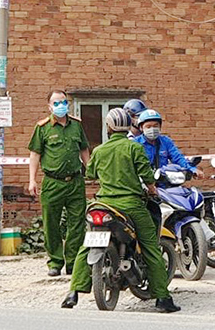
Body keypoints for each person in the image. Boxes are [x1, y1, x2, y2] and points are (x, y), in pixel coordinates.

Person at [61, 108, 180, 312]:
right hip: (131, 206)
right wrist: (153, 191)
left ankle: (73, 292)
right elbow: (147, 177)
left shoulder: (99, 150)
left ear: (109, 127)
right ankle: (162, 298)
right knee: (151, 247)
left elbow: (90, 174)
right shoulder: (134, 148)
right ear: (129, 126)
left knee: (86, 245)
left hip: (102, 205)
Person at [28, 90, 90, 277]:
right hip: (52, 183)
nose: (61, 106)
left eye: (63, 102)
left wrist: (92, 170)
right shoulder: (43, 128)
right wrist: (32, 179)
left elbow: (84, 150)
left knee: (77, 223)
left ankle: (73, 262)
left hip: (75, 182)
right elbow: (35, 154)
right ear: (49, 106)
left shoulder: (76, 126)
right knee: (51, 224)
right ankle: (55, 262)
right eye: (56, 103)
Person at [133, 109, 204, 178]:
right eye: (148, 127)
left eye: (155, 126)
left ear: (160, 127)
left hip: (164, 182)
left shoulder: (166, 141)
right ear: (141, 128)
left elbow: (178, 158)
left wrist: (192, 169)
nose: (152, 129)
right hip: (143, 183)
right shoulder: (135, 143)